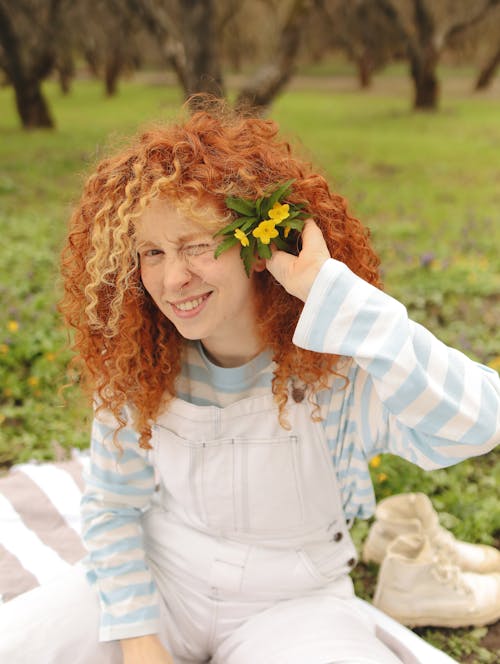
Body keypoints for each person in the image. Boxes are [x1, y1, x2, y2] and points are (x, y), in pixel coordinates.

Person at [0, 99, 498, 664]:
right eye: (152, 253)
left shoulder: (336, 366)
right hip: (165, 589)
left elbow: (477, 425)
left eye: (195, 246)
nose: (173, 277)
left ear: (258, 249)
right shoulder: (140, 366)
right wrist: (141, 643)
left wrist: (334, 293)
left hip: (293, 609)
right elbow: (113, 506)